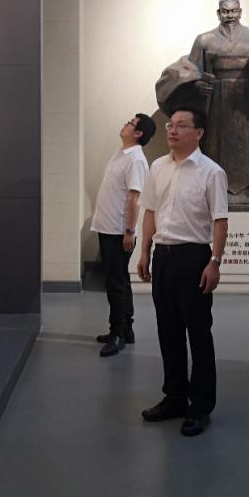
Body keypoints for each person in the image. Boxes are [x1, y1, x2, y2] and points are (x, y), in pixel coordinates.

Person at [154, 0, 249, 208]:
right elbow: (193, 69)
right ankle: (215, 188)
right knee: (215, 143)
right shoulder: (205, 39)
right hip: (217, 102)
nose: (230, 16)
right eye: (225, 11)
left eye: (234, 11)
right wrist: (197, 84)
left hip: (246, 99)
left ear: (240, 11)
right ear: (218, 13)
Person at [137, 108, 228, 436]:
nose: (172, 131)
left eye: (181, 126)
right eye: (170, 125)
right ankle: (174, 396)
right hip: (163, 256)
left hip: (194, 257)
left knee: (199, 333)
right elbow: (150, 211)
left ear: (199, 132)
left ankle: (201, 405)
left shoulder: (212, 172)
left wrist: (214, 261)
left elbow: (219, 219)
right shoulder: (158, 167)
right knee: (168, 330)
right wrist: (144, 251)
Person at [90, 113, 156, 357]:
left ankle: (117, 333)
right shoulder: (122, 153)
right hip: (107, 227)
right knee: (120, 280)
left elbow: (134, 198)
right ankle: (126, 329)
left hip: (118, 231)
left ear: (138, 133)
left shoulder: (136, 160)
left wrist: (129, 231)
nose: (125, 124)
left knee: (115, 284)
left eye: (131, 123)